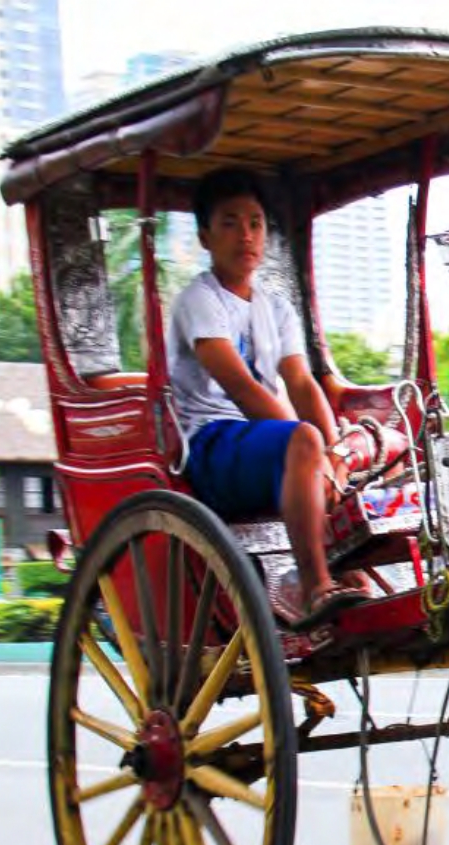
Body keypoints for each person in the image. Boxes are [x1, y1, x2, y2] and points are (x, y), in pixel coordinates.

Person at [168, 167, 366, 627]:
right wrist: (308, 446)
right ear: (205, 236)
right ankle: (316, 586)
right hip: (211, 445)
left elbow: (300, 382)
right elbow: (239, 385)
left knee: (352, 454)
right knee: (302, 442)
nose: (246, 235)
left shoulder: (275, 307)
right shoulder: (199, 300)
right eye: (230, 223)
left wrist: (334, 450)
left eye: (255, 223)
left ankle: (347, 568)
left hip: (260, 442)